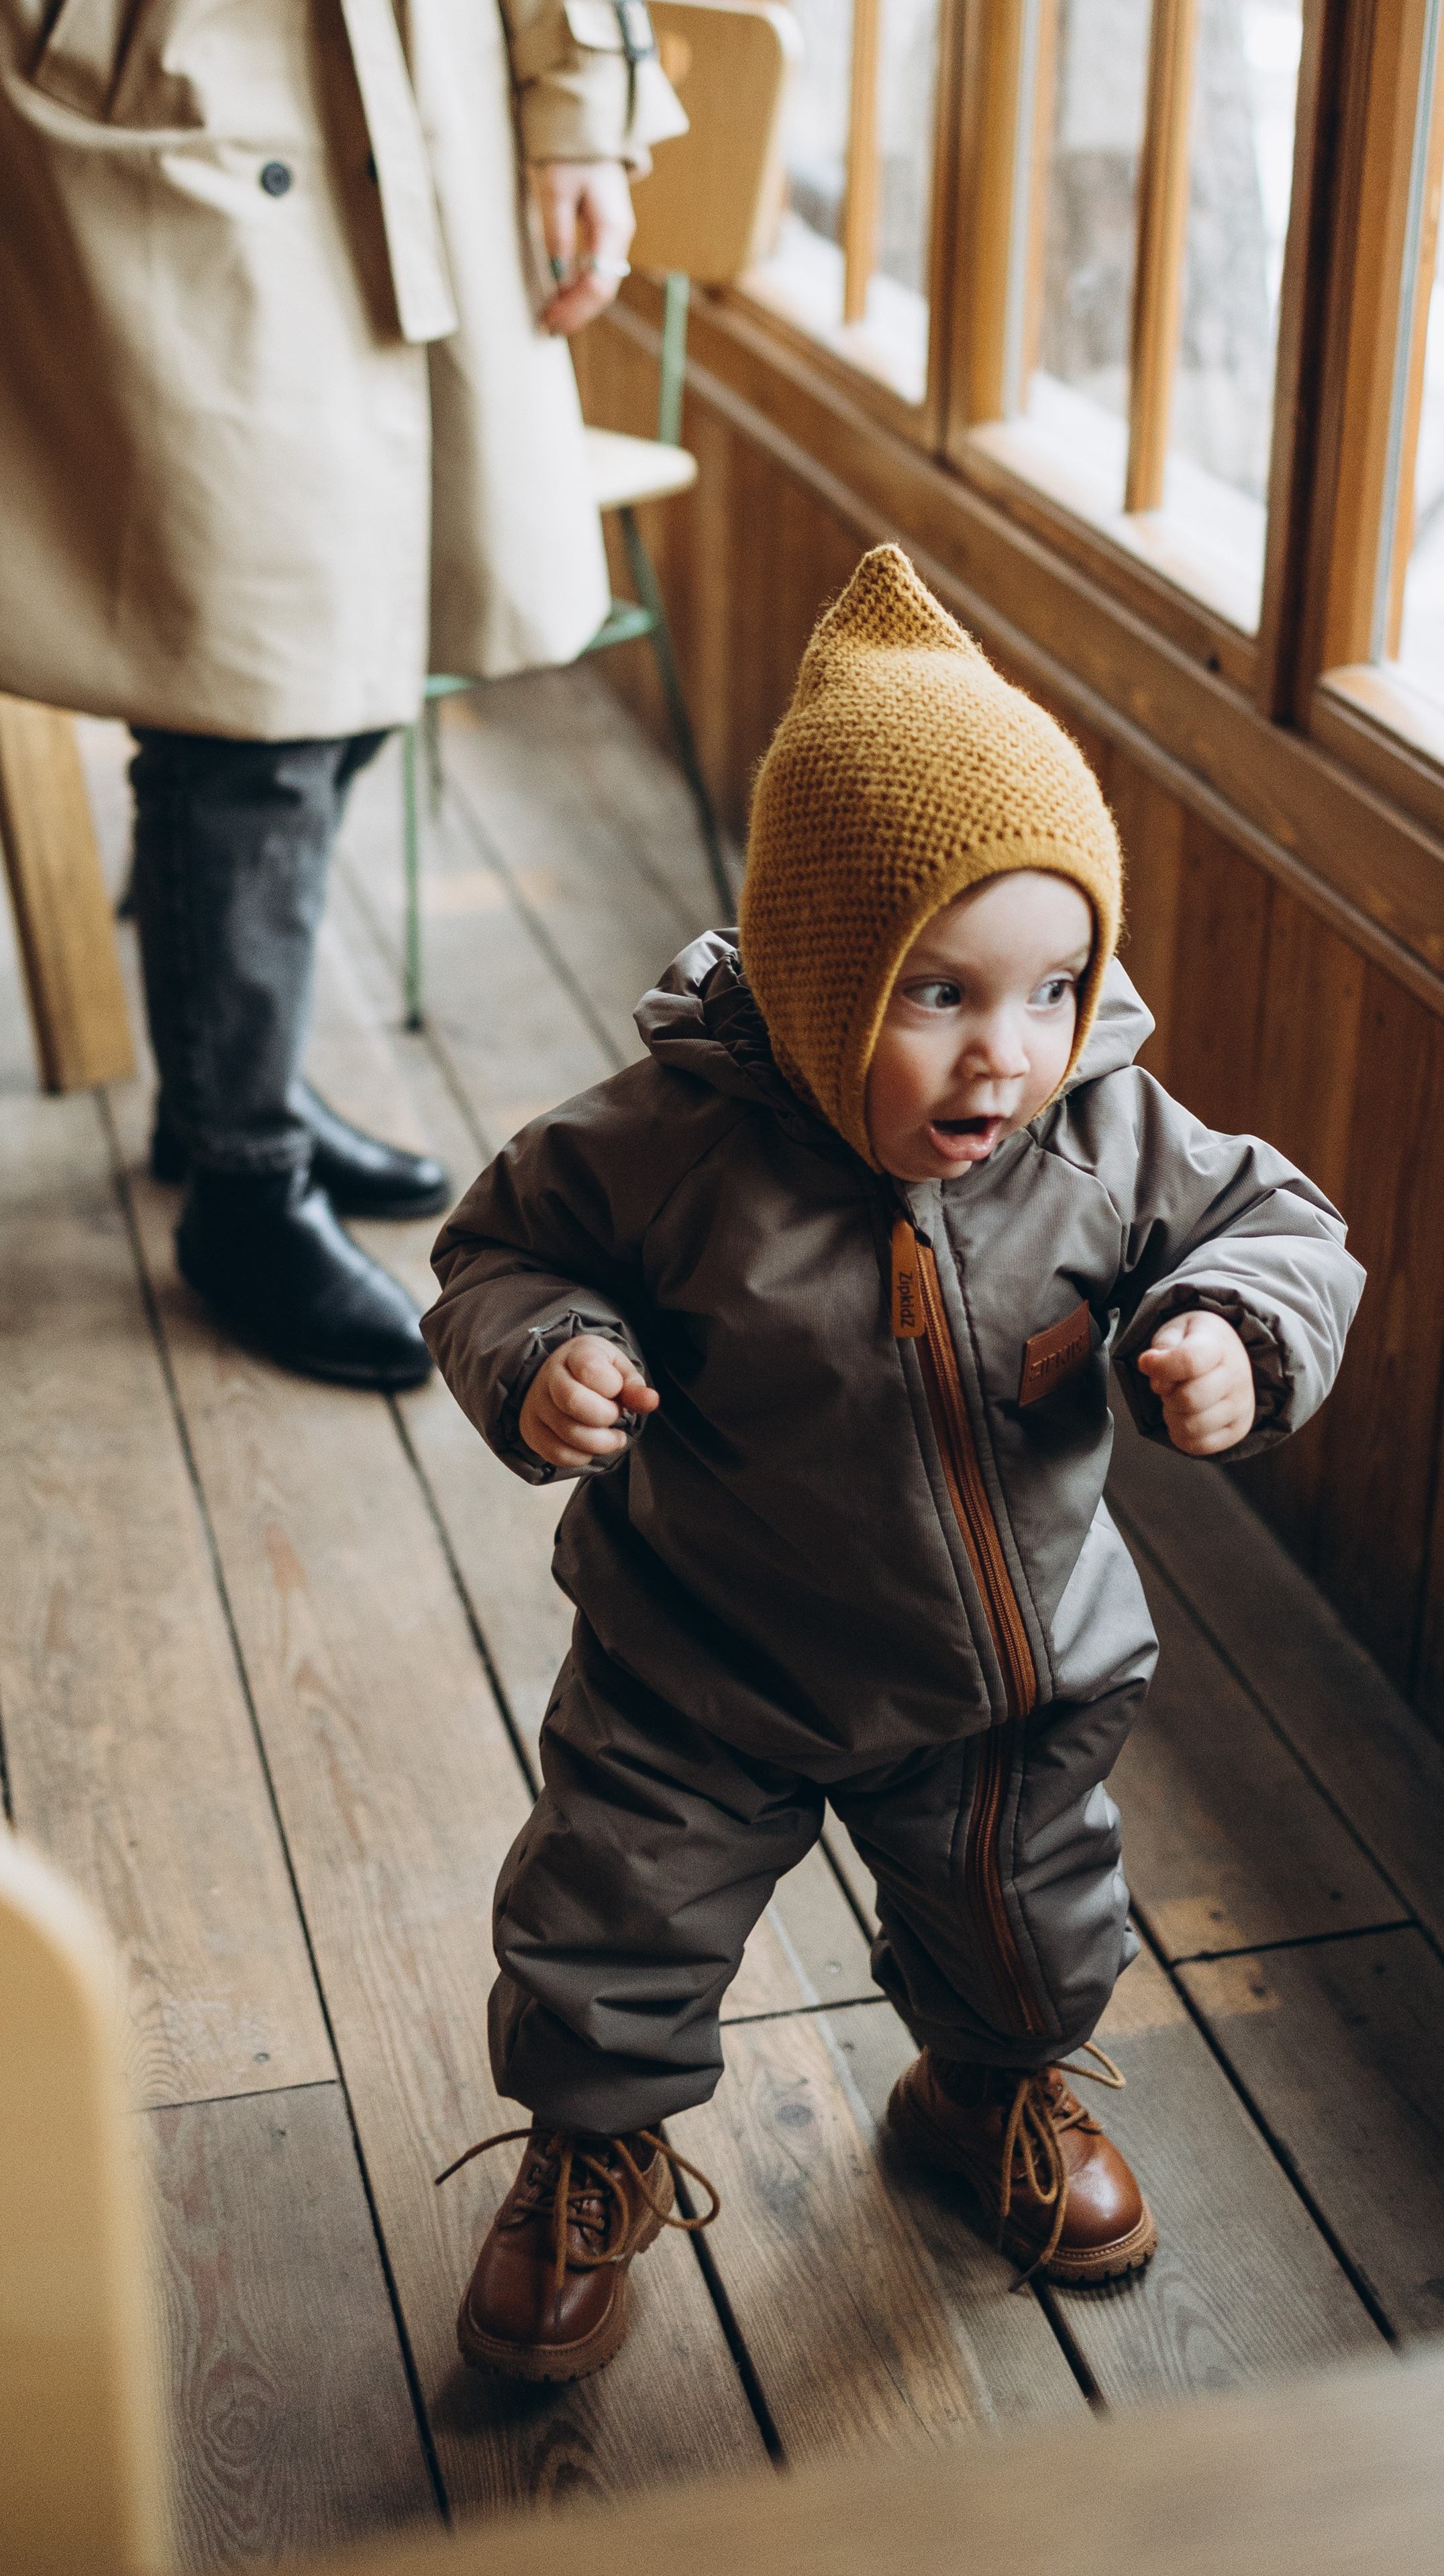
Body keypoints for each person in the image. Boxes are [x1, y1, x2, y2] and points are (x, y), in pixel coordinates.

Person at [423, 547, 1366, 2381]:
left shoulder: (1100, 1124)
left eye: (1052, 985)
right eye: (936, 992)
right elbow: (496, 1257)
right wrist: (545, 1358)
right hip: (703, 1663)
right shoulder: (670, 1142)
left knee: (1029, 1924)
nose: (1003, 1055)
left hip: (1007, 1685)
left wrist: (1240, 1330)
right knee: (612, 1917)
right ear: (811, 965)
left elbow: (1283, 1224)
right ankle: (592, 2153)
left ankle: (985, 2096)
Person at [0, 0, 686, 1387]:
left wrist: (580, 112)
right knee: (251, 685)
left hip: (429, 95)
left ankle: (219, 1088)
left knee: (372, 633)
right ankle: (244, 1185)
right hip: (164, 88)